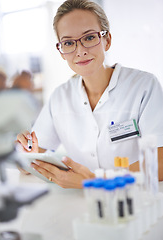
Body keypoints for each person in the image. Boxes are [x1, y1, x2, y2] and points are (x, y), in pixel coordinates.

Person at [16, 0, 163, 188]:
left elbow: (160, 162)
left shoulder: (144, 86)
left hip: (137, 200)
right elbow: (33, 159)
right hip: (84, 204)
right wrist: (26, 154)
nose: (80, 51)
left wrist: (95, 181)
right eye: (69, 43)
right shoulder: (60, 97)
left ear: (106, 40)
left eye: (89, 38)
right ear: (61, 51)